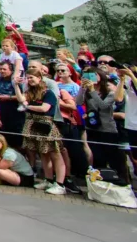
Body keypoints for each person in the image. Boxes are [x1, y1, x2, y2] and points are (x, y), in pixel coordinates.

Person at [18, 67, 66, 195]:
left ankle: (60, 184)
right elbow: (21, 99)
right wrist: (16, 85)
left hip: (46, 125)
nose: (29, 80)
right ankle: (48, 179)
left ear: (39, 78)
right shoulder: (30, 92)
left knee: (55, 154)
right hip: (34, 125)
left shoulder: (48, 93)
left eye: (32, 77)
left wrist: (27, 107)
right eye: (28, 78)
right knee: (43, 153)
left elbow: (44, 108)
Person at [81, 68, 124, 179]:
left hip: (107, 129)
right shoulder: (87, 92)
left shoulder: (110, 92)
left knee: (114, 158)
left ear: (100, 76)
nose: (91, 77)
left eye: (94, 75)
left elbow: (103, 106)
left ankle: (120, 181)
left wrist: (92, 91)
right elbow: (78, 102)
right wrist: (82, 89)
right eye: (88, 75)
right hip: (92, 128)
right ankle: (100, 182)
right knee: (97, 158)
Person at [54, 62, 85, 193]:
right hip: (57, 118)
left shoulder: (75, 86)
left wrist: (60, 100)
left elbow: (77, 103)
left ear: (70, 72)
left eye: (63, 70)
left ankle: (72, 175)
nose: (60, 72)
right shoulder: (55, 85)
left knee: (71, 148)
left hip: (71, 118)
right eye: (58, 70)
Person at [0, 61, 24, 148]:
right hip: (3, 110)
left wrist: (8, 97)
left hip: (15, 111)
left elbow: (23, 96)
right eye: (1, 69)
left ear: (11, 71)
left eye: (4, 69)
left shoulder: (16, 81)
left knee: (17, 137)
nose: (2, 71)